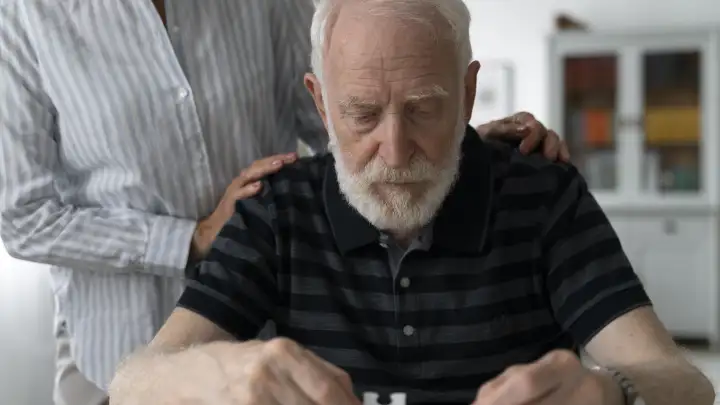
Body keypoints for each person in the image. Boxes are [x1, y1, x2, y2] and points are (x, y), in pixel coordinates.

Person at [107, 1, 714, 405]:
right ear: (320, 104)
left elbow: (687, 383)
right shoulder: (276, 210)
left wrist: (609, 393)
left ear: (468, 93)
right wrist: (218, 375)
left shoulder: (544, 196)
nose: (395, 153)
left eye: (424, 108)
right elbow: (132, 385)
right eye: (362, 114)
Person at [0, 1, 566, 404]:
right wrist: (193, 237)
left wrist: (443, 148)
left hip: (268, 326)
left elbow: (343, 118)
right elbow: (23, 217)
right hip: (112, 341)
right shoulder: (24, 17)